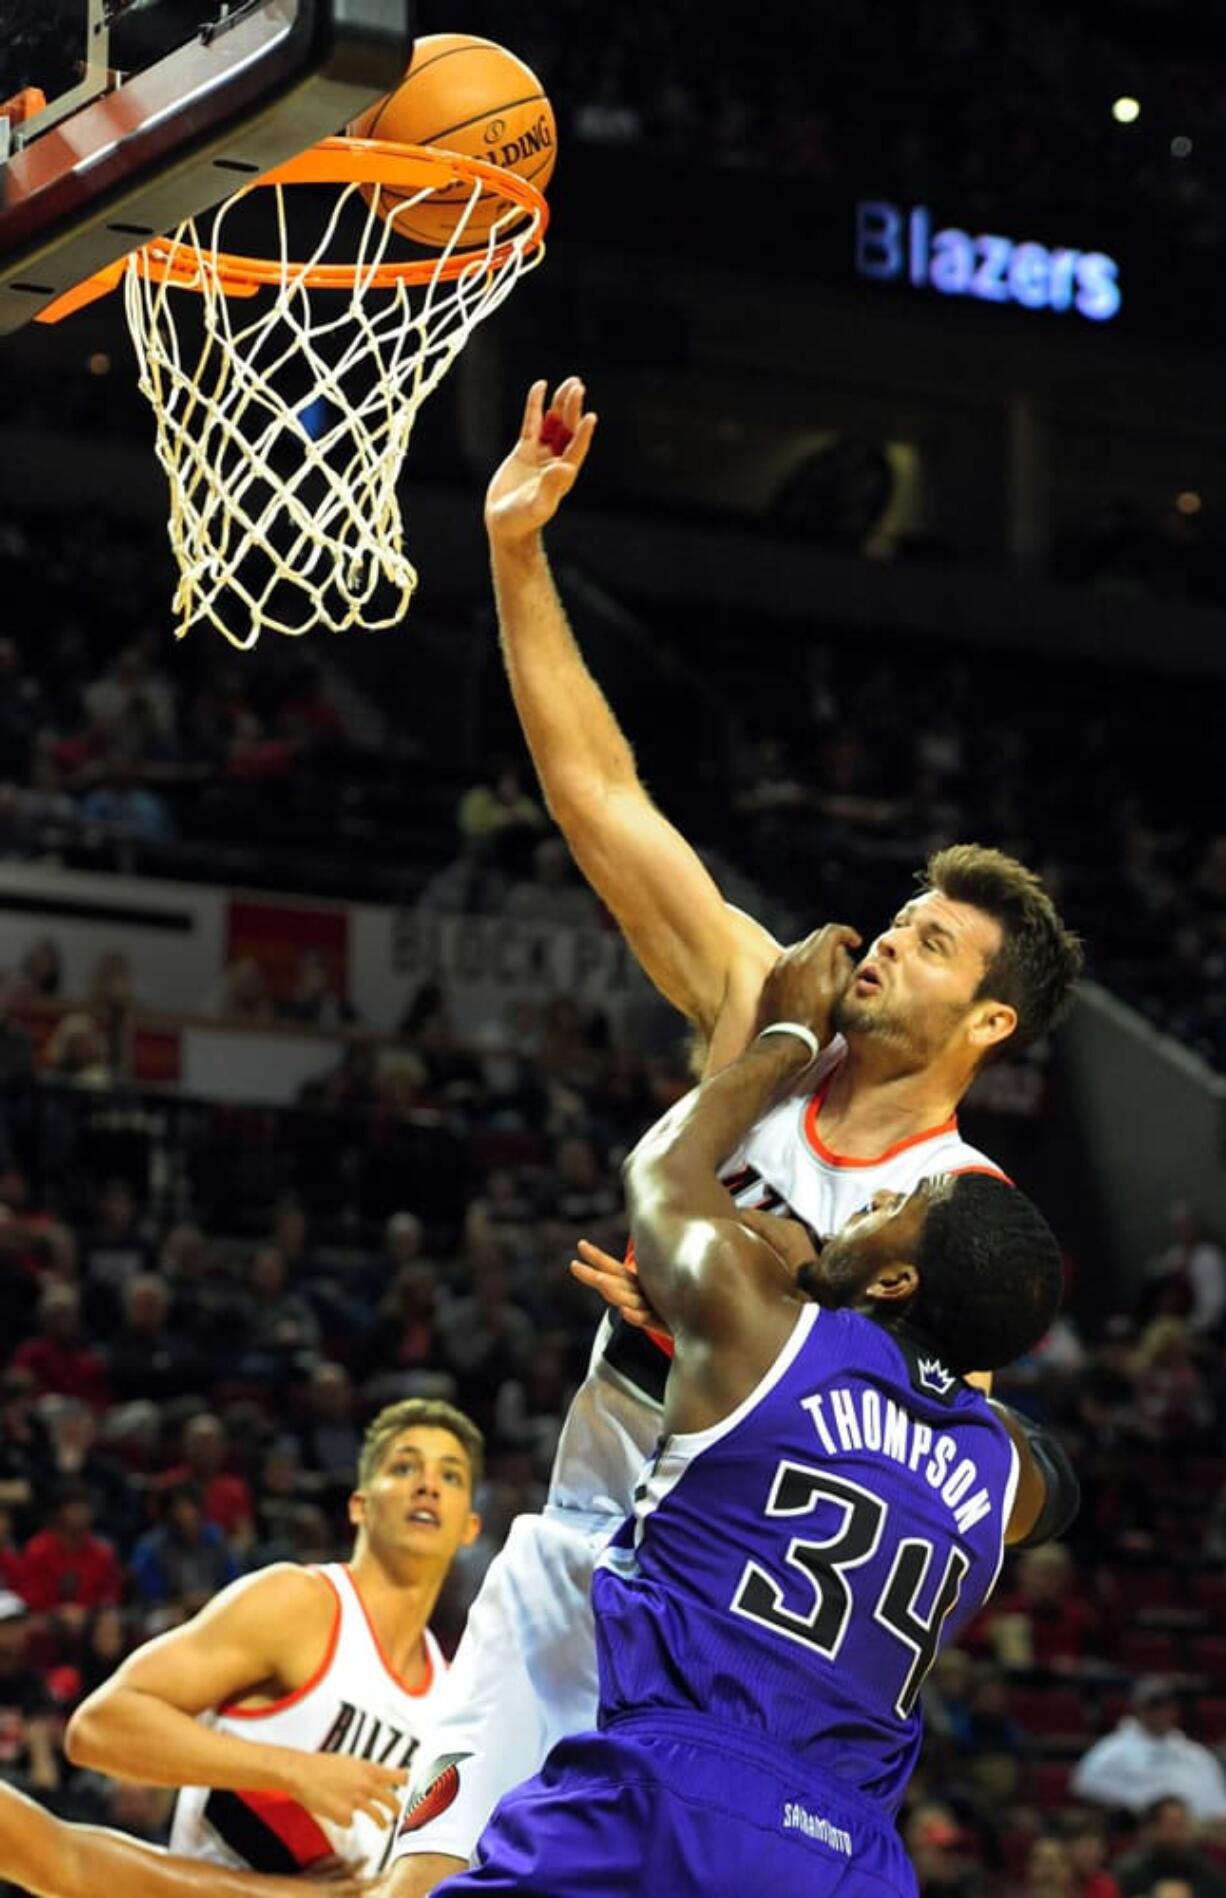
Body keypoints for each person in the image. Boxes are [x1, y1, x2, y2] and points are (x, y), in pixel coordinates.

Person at [390, 383, 1083, 1892]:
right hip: (579, 1562)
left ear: (989, 1027)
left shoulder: (957, 1225)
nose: (887, 945)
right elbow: (599, 800)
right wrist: (515, 552)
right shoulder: (761, 1011)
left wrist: (749, 1326)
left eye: (932, 945)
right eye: (897, 919)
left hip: (730, 1665)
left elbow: (937, 1467)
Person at [426, 936, 1071, 1895]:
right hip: (847, 1852)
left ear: (899, 1279)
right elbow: (1056, 1490)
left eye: (898, 1204)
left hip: (674, 1783)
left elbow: (662, 1171)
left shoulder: (771, 1338)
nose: (880, 1198)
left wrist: (779, 1038)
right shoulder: (999, 1470)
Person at [63, 1398, 482, 1879]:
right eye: (405, 1467)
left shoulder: (452, 1703)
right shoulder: (298, 1603)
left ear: (471, 1526)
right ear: (359, 1505)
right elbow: (99, 1728)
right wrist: (294, 1771)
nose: (428, 1486)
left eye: (450, 1476)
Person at [1070, 1681, 1226, 1825]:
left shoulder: (1195, 1753)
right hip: (1145, 1828)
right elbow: (1085, 1785)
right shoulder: (1113, 1749)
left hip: (1201, 1827)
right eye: (1154, 1706)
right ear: (1139, 1709)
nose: (1160, 1713)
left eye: (1165, 1707)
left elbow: (1217, 1798)